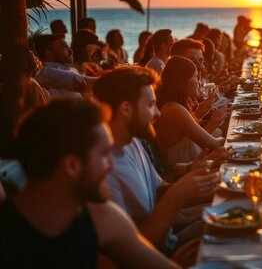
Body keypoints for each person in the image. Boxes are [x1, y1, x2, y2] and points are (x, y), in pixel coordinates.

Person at [0, 99, 179, 268]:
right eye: (104, 154)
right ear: (72, 165)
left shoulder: (103, 219)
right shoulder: (99, 220)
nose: (111, 165)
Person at [92, 67, 218, 252]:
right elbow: (129, 250)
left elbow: (158, 189)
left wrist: (196, 177)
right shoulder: (105, 172)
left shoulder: (132, 141)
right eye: (151, 105)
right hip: (159, 254)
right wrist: (176, 196)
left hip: (172, 240)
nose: (158, 114)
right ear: (125, 109)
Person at [155, 57, 228, 172]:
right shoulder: (173, 109)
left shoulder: (175, 106)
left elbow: (193, 141)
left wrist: (215, 122)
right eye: (195, 77)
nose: (199, 81)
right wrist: (235, 136)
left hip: (195, 168)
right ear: (184, 81)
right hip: (186, 176)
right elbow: (214, 144)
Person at [33, 34, 97, 99]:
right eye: (64, 47)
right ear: (48, 54)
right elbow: (79, 82)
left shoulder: (70, 70)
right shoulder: (45, 73)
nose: (71, 51)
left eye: (68, 47)